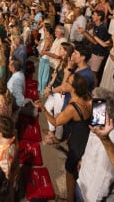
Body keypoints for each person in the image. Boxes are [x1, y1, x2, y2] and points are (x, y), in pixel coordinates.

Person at [34, 73, 92, 202]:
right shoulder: (90, 97)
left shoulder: (72, 108)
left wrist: (42, 108)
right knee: (78, 170)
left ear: (74, 88)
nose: (65, 83)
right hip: (87, 139)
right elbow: (99, 120)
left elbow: (55, 122)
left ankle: (69, 199)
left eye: (69, 82)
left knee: (70, 173)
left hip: (76, 145)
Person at [76, 88, 114, 202]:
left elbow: (102, 184)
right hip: (83, 183)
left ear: (104, 112)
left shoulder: (111, 142)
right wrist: (83, 161)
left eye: (93, 101)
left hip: (89, 196)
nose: (88, 103)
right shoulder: (98, 122)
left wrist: (88, 199)